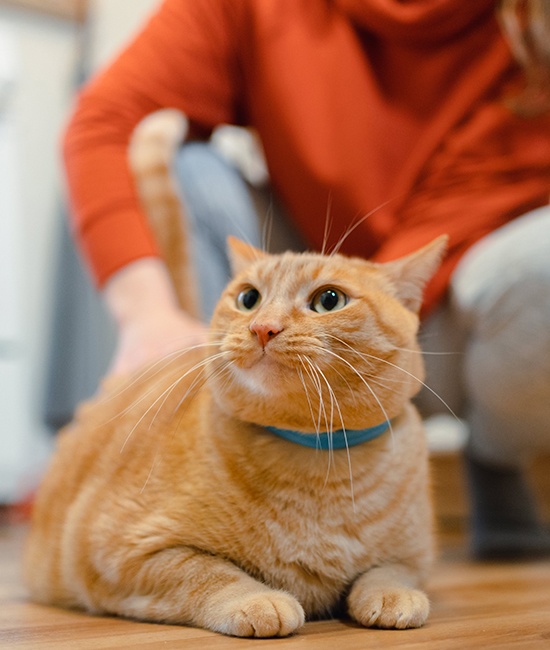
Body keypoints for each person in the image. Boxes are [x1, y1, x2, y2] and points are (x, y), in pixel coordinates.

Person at [62, 0, 550, 559]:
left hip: (453, 309)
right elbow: (106, 121)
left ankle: (497, 457)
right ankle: (211, 465)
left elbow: (451, 222)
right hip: (306, 282)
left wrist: (373, 312)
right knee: (177, 157)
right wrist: (145, 314)